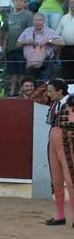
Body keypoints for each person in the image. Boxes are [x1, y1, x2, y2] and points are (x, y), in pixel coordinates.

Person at [44, 79, 74, 226]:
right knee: (56, 180)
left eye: (50, 91)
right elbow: (34, 96)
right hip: (53, 142)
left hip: (67, 143)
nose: (47, 94)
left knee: (71, 181)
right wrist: (49, 82)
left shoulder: (72, 102)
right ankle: (60, 215)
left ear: (59, 91)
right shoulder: (54, 103)